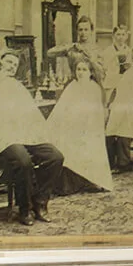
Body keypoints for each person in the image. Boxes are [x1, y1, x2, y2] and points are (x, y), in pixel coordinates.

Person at [0, 51, 65, 226]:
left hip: (25, 134)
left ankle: (40, 202)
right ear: (0, 63)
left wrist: (35, 130)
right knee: (23, 161)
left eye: (15, 65)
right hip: (3, 135)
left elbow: (30, 114)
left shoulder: (17, 86)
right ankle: (24, 209)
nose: (11, 67)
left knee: (55, 156)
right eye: (9, 62)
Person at [48, 56, 114, 192]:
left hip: (88, 129)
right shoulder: (72, 86)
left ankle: (83, 181)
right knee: (60, 140)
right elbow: (62, 108)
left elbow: (94, 115)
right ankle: (65, 183)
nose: (81, 72)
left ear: (90, 72)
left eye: (84, 69)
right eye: (78, 69)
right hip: (71, 126)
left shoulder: (94, 88)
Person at [48, 15, 107, 89]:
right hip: (74, 86)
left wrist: (91, 59)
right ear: (77, 31)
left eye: (86, 30)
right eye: (80, 30)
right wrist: (68, 47)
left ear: (91, 31)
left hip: (91, 87)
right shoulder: (72, 48)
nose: (83, 33)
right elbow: (49, 53)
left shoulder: (97, 50)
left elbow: (102, 75)